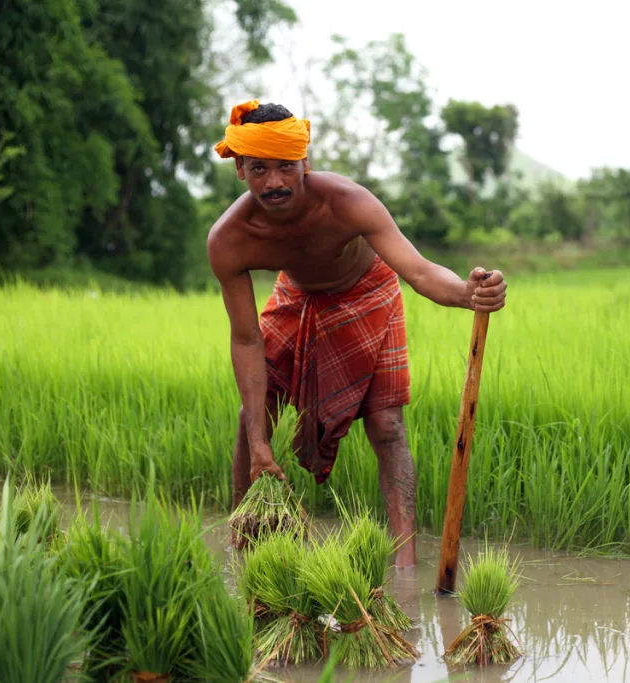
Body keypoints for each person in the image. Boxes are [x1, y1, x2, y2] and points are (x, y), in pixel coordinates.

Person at [206, 100, 507, 568]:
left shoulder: (347, 202)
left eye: (286, 167)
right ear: (240, 169)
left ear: (305, 162)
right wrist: (262, 446)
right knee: (253, 417)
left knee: (386, 425)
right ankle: (243, 546)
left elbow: (420, 272)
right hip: (297, 295)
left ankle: (404, 562)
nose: (275, 183)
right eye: (260, 169)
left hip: (367, 288)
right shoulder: (229, 238)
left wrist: (469, 294)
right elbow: (246, 339)